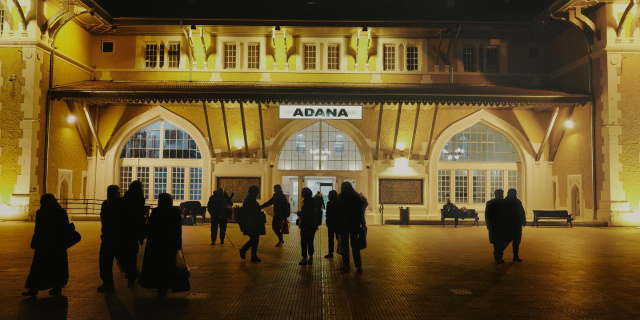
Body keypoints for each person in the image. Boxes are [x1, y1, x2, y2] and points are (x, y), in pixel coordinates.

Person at [22, 194, 70, 297]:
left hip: (47, 243)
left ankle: (35, 289)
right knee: (55, 266)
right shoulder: (59, 212)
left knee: (39, 267)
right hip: (54, 244)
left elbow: (38, 229)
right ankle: (55, 288)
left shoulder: (42, 213)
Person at [139, 193, 183, 296]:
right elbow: (177, 229)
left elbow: (150, 227)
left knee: (158, 265)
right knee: (168, 264)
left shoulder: (156, 212)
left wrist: (142, 234)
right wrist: (178, 245)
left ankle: (160, 287)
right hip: (169, 243)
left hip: (156, 244)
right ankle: (166, 285)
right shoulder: (174, 212)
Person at [97, 185, 139, 292]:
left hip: (120, 238)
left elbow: (129, 221)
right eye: (109, 193)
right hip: (108, 237)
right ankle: (107, 282)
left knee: (124, 261)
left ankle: (132, 276)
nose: (110, 195)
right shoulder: (106, 204)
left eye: (112, 193)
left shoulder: (123, 205)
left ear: (118, 194)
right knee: (105, 262)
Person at [120, 180, 146, 287]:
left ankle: (131, 272)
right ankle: (132, 274)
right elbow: (139, 217)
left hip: (125, 230)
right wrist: (142, 233)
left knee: (128, 252)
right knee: (132, 252)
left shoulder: (126, 197)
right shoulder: (138, 199)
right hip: (133, 230)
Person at [338, 182, 366, 273]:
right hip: (354, 224)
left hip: (344, 224)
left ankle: (346, 265)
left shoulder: (341, 196)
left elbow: (340, 211)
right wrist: (362, 223)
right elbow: (361, 211)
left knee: (345, 245)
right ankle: (358, 266)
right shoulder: (356, 196)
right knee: (355, 245)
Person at [238, 185, 265, 262]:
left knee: (254, 239)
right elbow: (251, 212)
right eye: (256, 192)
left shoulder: (249, 199)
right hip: (251, 223)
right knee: (254, 239)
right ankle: (245, 251)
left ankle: (252, 255)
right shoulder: (250, 200)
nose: (257, 193)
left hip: (252, 222)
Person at [485, 189, 509, 264]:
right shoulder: (505, 203)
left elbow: (487, 215)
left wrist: (488, 225)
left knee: (497, 242)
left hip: (494, 226)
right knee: (503, 241)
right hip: (501, 225)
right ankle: (498, 256)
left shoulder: (490, 203)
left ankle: (497, 255)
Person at [298, 187, 319, 265]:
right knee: (310, 241)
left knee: (304, 241)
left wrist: (301, 214)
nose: (301, 193)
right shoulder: (312, 201)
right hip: (312, 224)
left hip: (306, 225)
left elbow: (307, 214)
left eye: (302, 192)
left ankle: (304, 257)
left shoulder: (307, 202)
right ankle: (310, 257)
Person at [504, 189, 526, 262]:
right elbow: (522, 212)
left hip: (510, 224)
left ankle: (499, 254)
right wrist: (523, 221)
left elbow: (522, 212)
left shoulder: (505, 202)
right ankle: (515, 256)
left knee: (510, 240)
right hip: (515, 224)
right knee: (514, 241)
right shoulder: (517, 202)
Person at [324, 190, 339, 259]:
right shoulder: (339, 202)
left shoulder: (329, 203)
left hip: (331, 223)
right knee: (338, 237)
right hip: (338, 223)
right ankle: (342, 251)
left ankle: (330, 253)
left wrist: (327, 222)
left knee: (330, 238)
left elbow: (328, 214)